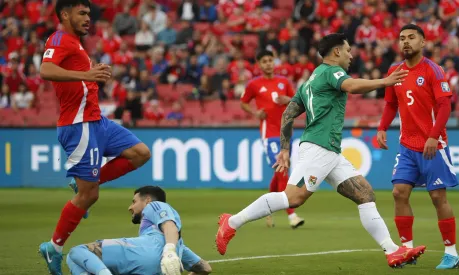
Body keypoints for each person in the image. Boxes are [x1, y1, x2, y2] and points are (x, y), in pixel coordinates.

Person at [215, 33, 427, 268]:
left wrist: (284, 149)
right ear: (336, 52)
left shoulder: (309, 81)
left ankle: (392, 251)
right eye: (347, 51)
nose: (350, 55)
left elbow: (288, 113)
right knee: (293, 197)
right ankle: (231, 223)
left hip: (329, 150)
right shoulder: (331, 71)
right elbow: (351, 85)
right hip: (319, 147)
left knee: (365, 194)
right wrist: (384, 82)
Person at [38, 1, 151, 274]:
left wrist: (92, 76)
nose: (89, 18)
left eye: (89, 13)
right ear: (65, 15)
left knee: (141, 153)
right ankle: (54, 247)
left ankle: (85, 184)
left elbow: (76, 80)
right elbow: (45, 70)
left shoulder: (76, 43)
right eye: (82, 13)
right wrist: (87, 73)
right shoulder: (59, 39)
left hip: (97, 121)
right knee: (90, 196)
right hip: (79, 126)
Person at [377, 24, 459, 269]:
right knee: (398, 192)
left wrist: (434, 137)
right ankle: (406, 248)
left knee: (437, 196)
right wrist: (382, 127)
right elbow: (390, 104)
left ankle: (451, 252)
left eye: (411, 38)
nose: (406, 42)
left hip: (433, 145)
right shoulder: (395, 71)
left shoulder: (434, 70)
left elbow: (445, 107)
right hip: (406, 145)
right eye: (402, 38)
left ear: (423, 43)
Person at [66, 186, 212, 275]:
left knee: (77, 252)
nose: (130, 207)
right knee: (82, 263)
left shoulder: (155, 206)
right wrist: (171, 252)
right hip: (155, 268)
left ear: (147, 200)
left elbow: (169, 225)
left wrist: (169, 250)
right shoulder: (179, 245)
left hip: (139, 253)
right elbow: (204, 268)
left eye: (134, 201)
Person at [240, 50, 305, 229]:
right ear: (259, 65)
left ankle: (268, 209)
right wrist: (255, 113)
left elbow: (298, 101)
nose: (268, 64)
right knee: (282, 169)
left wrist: (288, 99)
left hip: (286, 132)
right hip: (269, 134)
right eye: (264, 61)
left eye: (270, 60)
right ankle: (291, 214)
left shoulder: (284, 82)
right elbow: (243, 102)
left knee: (279, 173)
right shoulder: (254, 84)